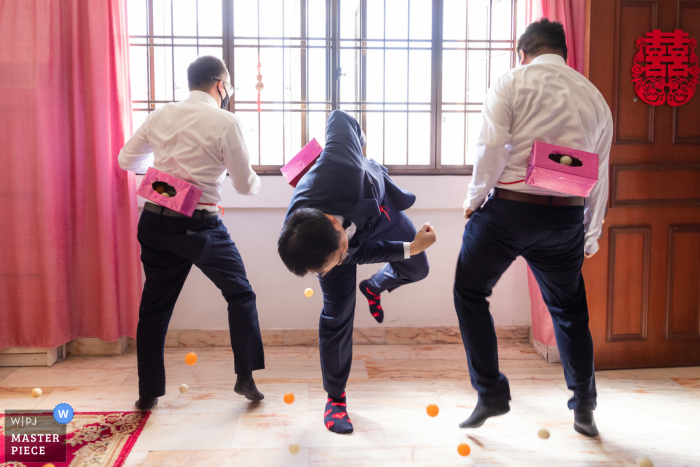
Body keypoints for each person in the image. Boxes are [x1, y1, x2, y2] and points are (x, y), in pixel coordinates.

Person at [453, 19, 612, 437]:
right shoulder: (595, 98)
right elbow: (601, 174)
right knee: (570, 311)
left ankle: (490, 393)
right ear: (563, 52)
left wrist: (473, 201)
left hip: (509, 212)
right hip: (565, 219)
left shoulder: (511, 83)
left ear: (522, 52)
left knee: (470, 292)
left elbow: (490, 148)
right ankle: (584, 407)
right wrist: (590, 234)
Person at [118, 56, 265, 411]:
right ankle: (245, 377)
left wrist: (164, 179)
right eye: (228, 87)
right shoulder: (225, 121)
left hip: (154, 222)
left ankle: (147, 393)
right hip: (200, 226)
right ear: (221, 85)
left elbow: (127, 160)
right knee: (241, 295)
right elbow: (245, 186)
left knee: (154, 308)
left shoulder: (161, 114)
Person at [277, 110, 436, 434]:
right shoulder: (304, 239)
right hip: (341, 238)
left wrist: (359, 151)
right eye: (327, 267)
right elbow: (355, 254)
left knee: (418, 268)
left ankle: (375, 287)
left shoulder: (340, 164)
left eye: (337, 259)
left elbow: (338, 117)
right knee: (336, 316)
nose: (339, 263)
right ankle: (335, 398)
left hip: (376, 209)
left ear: (335, 226)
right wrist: (338, 260)